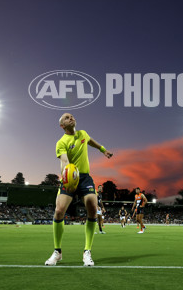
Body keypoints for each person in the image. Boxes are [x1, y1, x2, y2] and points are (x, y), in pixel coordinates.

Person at [44, 113, 113, 267]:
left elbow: (91, 141)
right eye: (67, 118)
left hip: (85, 178)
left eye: (72, 116)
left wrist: (103, 150)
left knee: (93, 208)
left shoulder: (83, 134)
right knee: (59, 211)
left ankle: (87, 251)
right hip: (69, 177)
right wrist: (67, 174)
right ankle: (57, 252)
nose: (71, 118)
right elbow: (64, 160)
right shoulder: (61, 142)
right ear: (62, 125)